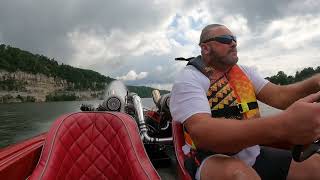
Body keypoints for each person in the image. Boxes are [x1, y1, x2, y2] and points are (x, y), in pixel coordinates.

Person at [170, 24, 320, 180]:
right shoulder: (189, 78)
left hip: (252, 153)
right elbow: (202, 132)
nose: (233, 43)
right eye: (225, 39)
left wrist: (315, 83)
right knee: (242, 176)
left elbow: (280, 96)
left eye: (234, 39)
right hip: (208, 158)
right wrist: (282, 126)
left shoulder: (245, 72)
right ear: (205, 48)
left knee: (316, 166)